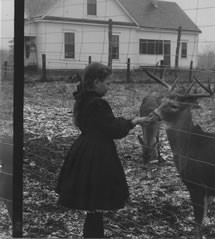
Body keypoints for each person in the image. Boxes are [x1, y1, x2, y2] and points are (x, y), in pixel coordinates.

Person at [55, 62, 155, 238]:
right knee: (96, 199)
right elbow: (113, 128)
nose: (109, 88)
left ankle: (92, 234)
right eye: (107, 83)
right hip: (97, 154)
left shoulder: (83, 100)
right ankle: (94, 235)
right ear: (95, 82)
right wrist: (134, 121)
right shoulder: (98, 104)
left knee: (92, 204)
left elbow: (104, 124)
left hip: (84, 149)